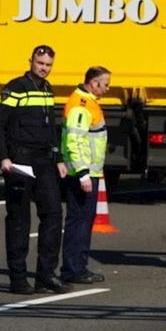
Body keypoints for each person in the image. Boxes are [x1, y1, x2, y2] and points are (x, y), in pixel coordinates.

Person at [0, 44, 71, 295]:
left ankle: (46, 275)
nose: (44, 68)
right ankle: (18, 278)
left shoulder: (47, 89)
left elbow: (51, 128)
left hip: (44, 160)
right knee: (19, 219)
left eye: (48, 65)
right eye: (40, 64)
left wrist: (59, 158)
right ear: (31, 61)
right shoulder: (15, 88)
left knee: (53, 214)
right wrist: (4, 157)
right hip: (20, 160)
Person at [60, 66, 112, 284]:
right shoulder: (81, 106)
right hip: (83, 173)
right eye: (105, 83)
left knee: (83, 221)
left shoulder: (87, 102)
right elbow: (76, 140)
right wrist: (82, 173)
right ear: (94, 83)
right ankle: (74, 269)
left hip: (89, 172)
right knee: (79, 221)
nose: (108, 88)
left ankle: (78, 267)